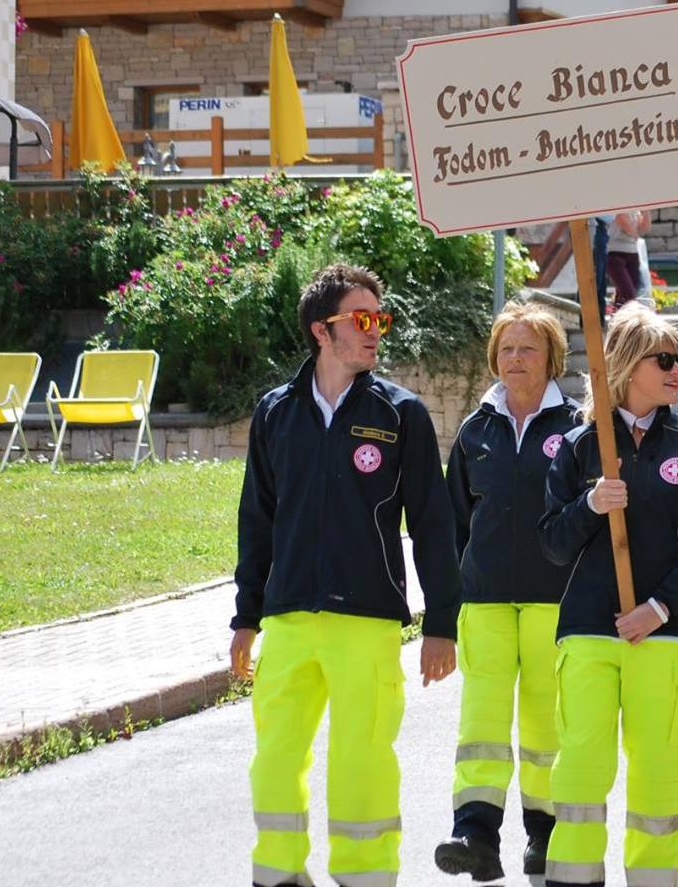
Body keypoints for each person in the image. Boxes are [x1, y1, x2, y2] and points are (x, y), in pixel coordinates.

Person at [232, 263, 461, 887]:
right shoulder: (276, 413)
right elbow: (257, 519)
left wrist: (442, 623)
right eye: (361, 319)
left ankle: (365, 877)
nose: (375, 330)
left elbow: (433, 525)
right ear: (321, 330)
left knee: (362, 761)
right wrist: (246, 616)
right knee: (275, 758)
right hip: (288, 619)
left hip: (367, 619)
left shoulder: (401, 413)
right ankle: (278, 875)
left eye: (380, 318)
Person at [540, 304, 678, 887]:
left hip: (667, 636)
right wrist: (590, 505)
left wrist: (659, 608)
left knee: (659, 780)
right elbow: (551, 544)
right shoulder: (579, 446)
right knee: (581, 772)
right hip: (588, 633)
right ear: (627, 366)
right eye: (665, 359)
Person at [434, 304, 581, 881]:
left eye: (528, 348)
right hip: (485, 600)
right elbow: (455, 520)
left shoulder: (577, 425)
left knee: (546, 725)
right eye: (506, 349)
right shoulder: (476, 430)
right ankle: (474, 833)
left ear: (552, 358)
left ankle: (544, 834)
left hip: (555, 599)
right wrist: (451, 597)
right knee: (482, 722)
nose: (515, 359)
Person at [605, 210, 649, 310]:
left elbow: (644, 228)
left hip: (633, 255)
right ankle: (629, 317)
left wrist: (647, 210)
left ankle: (618, 316)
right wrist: (636, 233)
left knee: (624, 296)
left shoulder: (635, 211)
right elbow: (622, 220)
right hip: (616, 255)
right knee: (628, 294)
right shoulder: (619, 208)